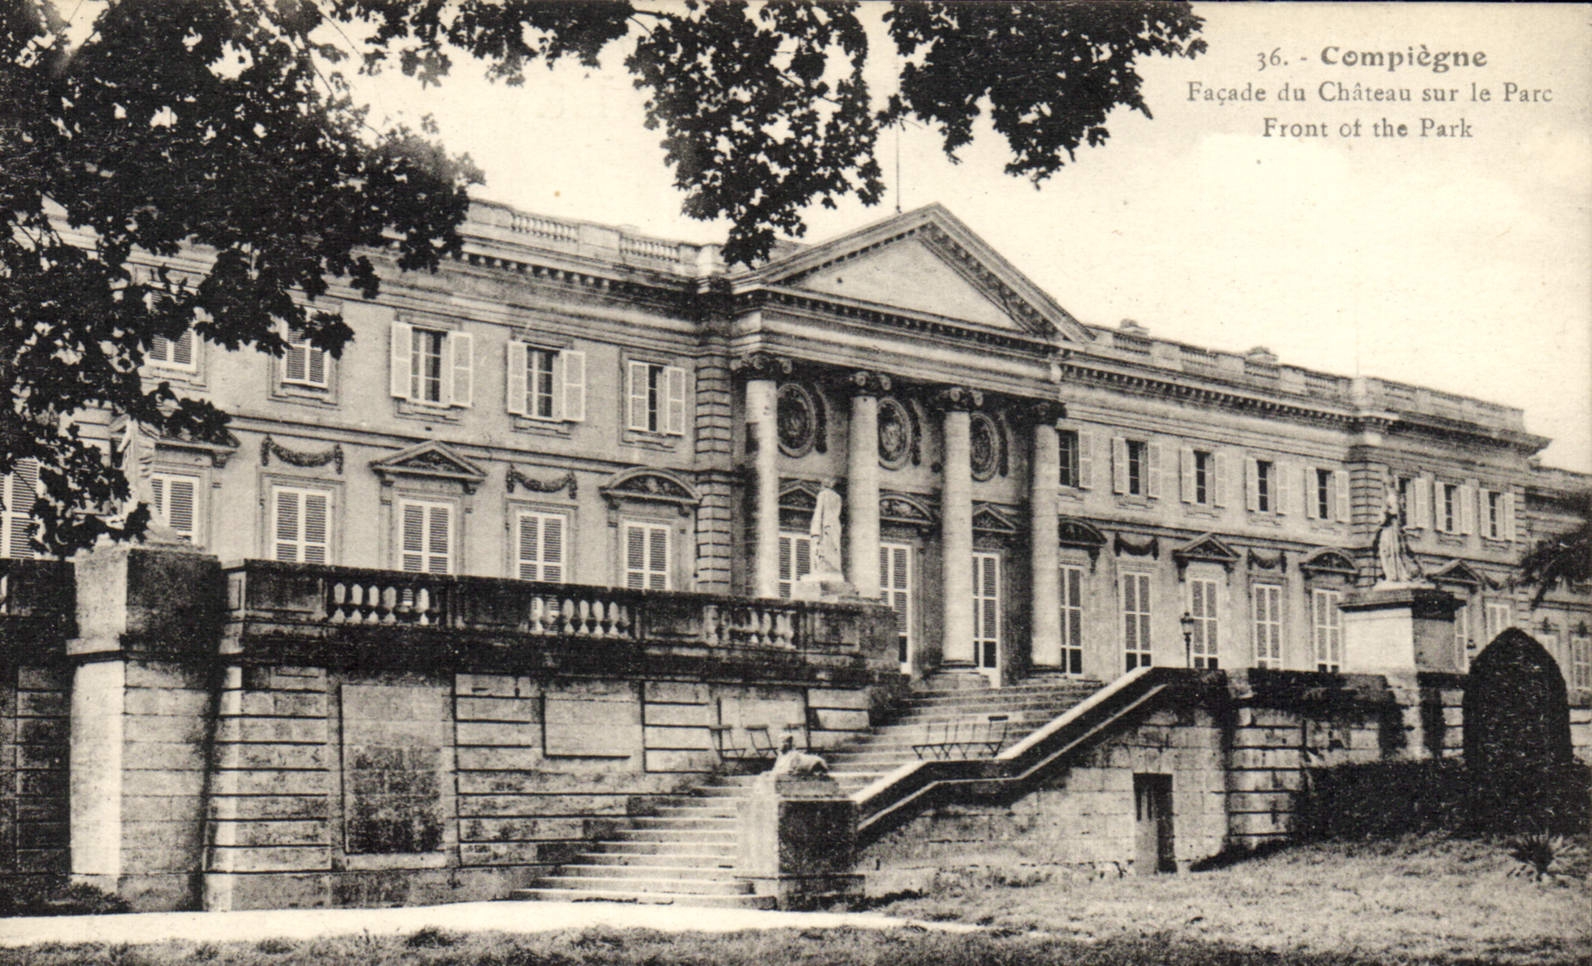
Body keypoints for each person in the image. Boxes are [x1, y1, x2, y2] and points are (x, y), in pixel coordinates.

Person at [1373, 487, 1421, 584]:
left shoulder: (1388, 512)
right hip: (1393, 535)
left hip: (1389, 534)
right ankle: (1393, 575)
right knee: (1392, 554)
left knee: (1388, 554)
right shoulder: (1396, 515)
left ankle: (1392, 576)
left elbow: (1382, 522)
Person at [809, 479, 844, 578]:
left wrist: (815, 529)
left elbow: (819, 512)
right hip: (834, 525)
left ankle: (822, 568)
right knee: (834, 548)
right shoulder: (837, 497)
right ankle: (832, 568)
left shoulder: (823, 494)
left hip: (824, 525)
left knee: (821, 550)